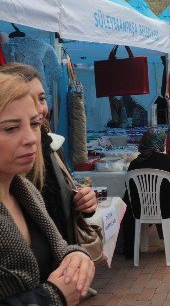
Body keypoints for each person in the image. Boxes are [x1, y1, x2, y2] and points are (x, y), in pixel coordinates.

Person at [0, 73, 95, 305]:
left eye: (34, 124)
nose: (31, 138)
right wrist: (52, 296)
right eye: (11, 128)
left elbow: (57, 246)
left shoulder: (24, 192)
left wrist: (76, 256)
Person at [0, 64, 98, 245]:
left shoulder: (49, 144)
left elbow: (60, 196)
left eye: (42, 98)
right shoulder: (19, 159)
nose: (39, 109)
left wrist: (82, 200)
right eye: (11, 128)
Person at [123, 129, 170, 255]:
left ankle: (129, 246)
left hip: (142, 209)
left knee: (156, 197)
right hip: (169, 207)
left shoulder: (134, 164)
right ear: (160, 143)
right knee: (169, 195)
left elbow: (128, 186)